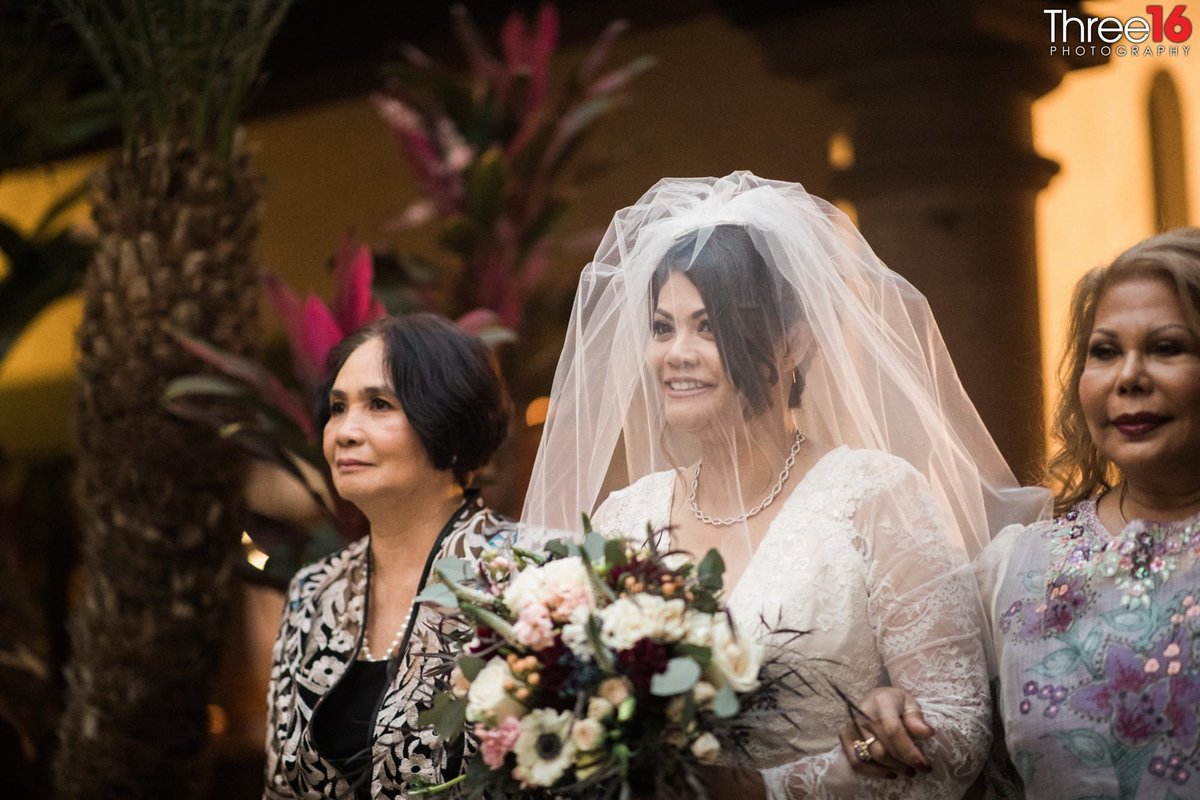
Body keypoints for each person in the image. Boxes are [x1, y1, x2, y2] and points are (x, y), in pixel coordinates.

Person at [522, 171, 1049, 798]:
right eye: (663, 327)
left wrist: (767, 788)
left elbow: (958, 730)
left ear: (793, 342)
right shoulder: (622, 520)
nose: (676, 353)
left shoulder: (874, 497)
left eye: (710, 327)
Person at [850, 227, 1200, 798]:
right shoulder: (1014, 568)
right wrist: (892, 716)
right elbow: (954, 740)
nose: (1128, 377)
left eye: (1166, 348)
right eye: (1105, 351)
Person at [263, 313, 513, 799]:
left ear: (446, 419)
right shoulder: (314, 591)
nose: (345, 432)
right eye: (337, 408)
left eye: (379, 404)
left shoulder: (527, 577)